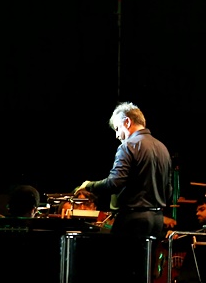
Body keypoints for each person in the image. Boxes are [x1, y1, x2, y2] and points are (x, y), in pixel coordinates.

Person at [74, 101, 173, 240]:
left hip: (133, 220)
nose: (117, 135)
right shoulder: (163, 148)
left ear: (127, 122)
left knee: (122, 261)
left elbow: (115, 183)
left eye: (117, 128)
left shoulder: (128, 146)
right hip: (157, 220)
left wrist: (89, 185)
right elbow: (168, 191)